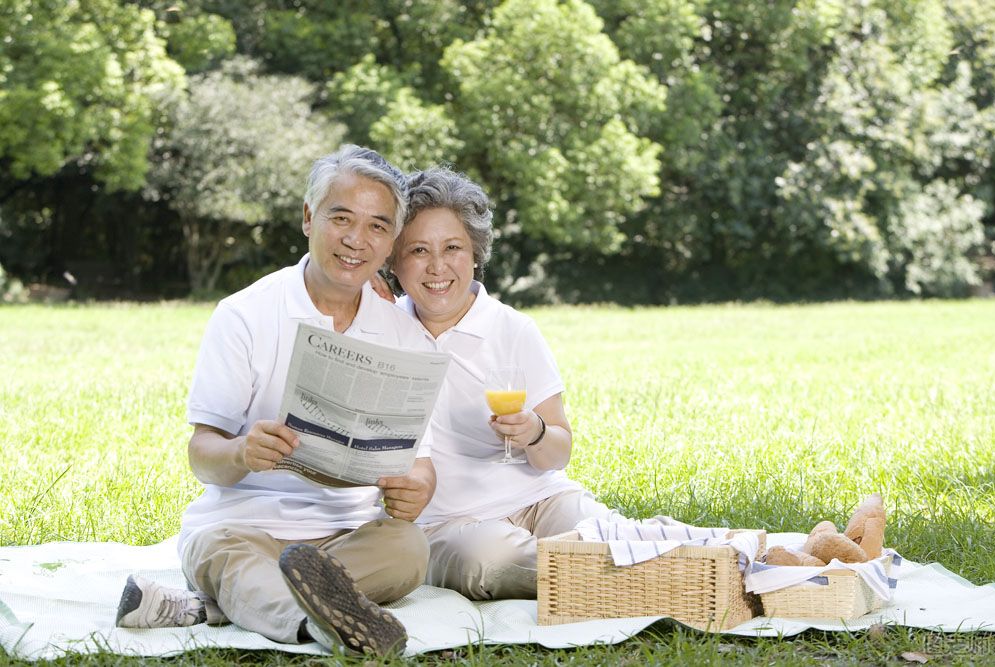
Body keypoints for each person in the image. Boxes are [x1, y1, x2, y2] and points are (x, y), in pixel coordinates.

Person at [115, 145, 437, 656]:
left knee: (409, 548)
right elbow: (202, 454)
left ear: (391, 239)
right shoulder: (243, 314)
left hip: (345, 538)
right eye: (341, 218)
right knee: (226, 555)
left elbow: (420, 463)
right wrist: (242, 452)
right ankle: (318, 624)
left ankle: (219, 607)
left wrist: (416, 489)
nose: (357, 240)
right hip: (242, 528)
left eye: (378, 226)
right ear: (309, 218)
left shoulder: (406, 336)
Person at [385, 166, 671, 600]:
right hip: (449, 525)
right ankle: (642, 568)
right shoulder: (381, 330)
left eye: (453, 247)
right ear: (394, 258)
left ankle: (643, 552)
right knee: (490, 563)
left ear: (476, 253)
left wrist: (534, 432)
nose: (437, 266)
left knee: (590, 522)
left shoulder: (513, 330)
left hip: (540, 501)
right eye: (419, 250)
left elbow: (559, 451)